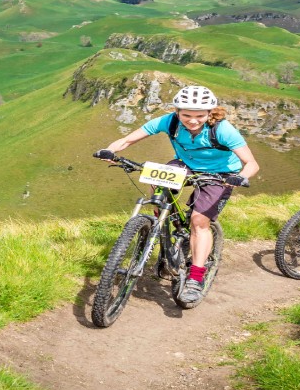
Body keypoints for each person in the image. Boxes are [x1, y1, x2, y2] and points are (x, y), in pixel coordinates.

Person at [97, 84, 259, 303]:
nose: (193, 121)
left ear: (209, 113)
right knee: (156, 179)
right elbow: (128, 139)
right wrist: (110, 150)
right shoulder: (169, 121)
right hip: (186, 164)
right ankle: (160, 224)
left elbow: (251, 163)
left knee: (199, 221)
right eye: (187, 115)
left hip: (221, 173)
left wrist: (240, 177)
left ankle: (195, 278)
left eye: (200, 116)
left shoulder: (223, 130)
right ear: (177, 112)